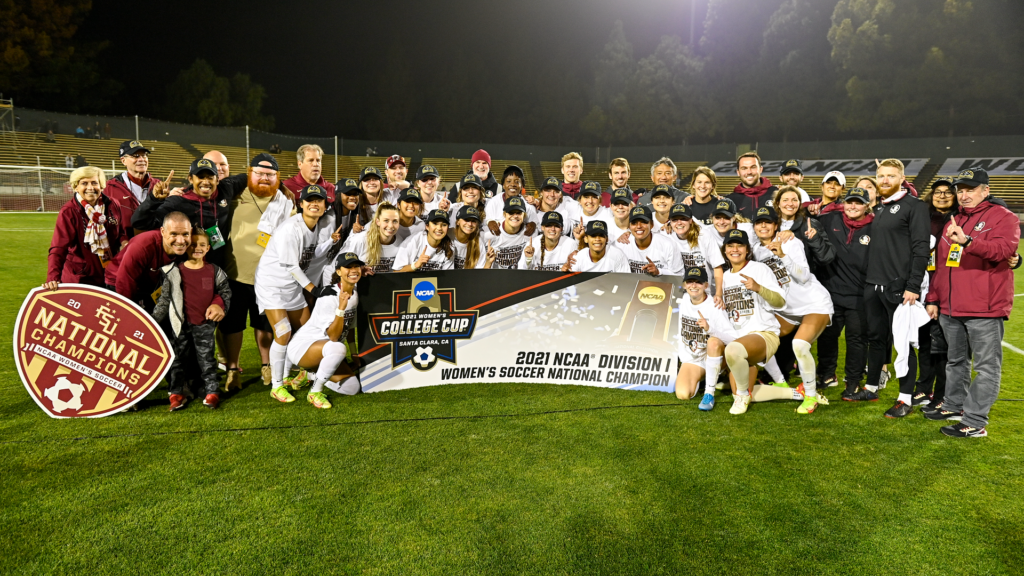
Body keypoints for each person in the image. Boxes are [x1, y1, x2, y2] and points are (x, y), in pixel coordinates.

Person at [925, 169, 1019, 437]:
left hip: (984, 307)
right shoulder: (954, 219)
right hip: (951, 307)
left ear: (985, 191)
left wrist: (968, 241)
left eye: (970, 189)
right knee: (955, 361)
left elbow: (1004, 251)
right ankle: (954, 406)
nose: (964, 195)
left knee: (986, 367)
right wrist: (933, 297)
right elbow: (941, 264)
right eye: (960, 190)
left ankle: (976, 422)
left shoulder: (1003, 217)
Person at [255, 185, 337, 402]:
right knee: (283, 333)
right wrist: (314, 289)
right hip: (271, 285)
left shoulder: (315, 226)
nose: (314, 204)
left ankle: (299, 372)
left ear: (325, 205)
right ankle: (277, 385)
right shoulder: (291, 228)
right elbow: (292, 266)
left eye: (319, 200)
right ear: (300, 204)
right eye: (309, 200)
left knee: (308, 329)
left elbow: (310, 253)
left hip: (291, 285)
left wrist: (332, 241)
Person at [862, 158, 930, 418]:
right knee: (876, 340)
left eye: (891, 176)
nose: (885, 180)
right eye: (881, 176)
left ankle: (905, 398)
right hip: (873, 285)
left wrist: (913, 285)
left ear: (902, 178)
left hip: (899, 288)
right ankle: (871, 387)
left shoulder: (914, 206)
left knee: (903, 344)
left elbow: (921, 248)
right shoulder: (879, 207)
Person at [221, 153, 294, 388]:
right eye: (259, 173)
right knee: (233, 325)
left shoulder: (285, 201)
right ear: (249, 173)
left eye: (270, 175)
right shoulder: (235, 194)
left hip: (269, 277)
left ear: (277, 177)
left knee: (265, 326)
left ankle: (267, 366)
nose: (264, 178)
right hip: (235, 273)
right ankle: (233, 369)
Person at [751, 206, 834, 413]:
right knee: (761, 336)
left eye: (768, 222)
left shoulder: (790, 242)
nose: (763, 226)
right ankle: (780, 382)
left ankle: (811, 396)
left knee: (799, 345)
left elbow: (804, 276)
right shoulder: (755, 250)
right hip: (787, 308)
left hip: (814, 302)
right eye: (759, 222)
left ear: (776, 225)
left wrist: (783, 256)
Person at [153, 230, 232, 411]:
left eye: (202, 245)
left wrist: (218, 304)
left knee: (207, 359)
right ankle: (176, 393)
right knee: (178, 360)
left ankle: (212, 392)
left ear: (208, 248)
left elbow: (225, 292)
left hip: (204, 325)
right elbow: (164, 301)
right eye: (193, 245)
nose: (197, 248)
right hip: (179, 326)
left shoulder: (215, 271)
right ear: (186, 248)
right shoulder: (173, 271)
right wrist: (153, 322)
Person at [719, 229, 794, 415]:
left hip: (763, 334)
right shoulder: (725, 276)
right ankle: (793, 393)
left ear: (747, 249)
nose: (735, 249)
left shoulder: (759, 269)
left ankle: (743, 394)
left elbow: (781, 302)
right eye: (730, 245)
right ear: (725, 250)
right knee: (736, 387)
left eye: (740, 245)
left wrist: (758, 288)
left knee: (733, 352)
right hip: (740, 337)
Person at [287, 252, 365, 408]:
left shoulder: (354, 294)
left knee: (352, 388)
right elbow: (334, 336)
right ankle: (315, 392)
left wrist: (354, 354)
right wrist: (341, 308)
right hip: (303, 347)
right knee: (337, 347)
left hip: (327, 350)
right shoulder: (329, 296)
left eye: (356, 266)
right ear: (338, 272)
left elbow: (348, 328)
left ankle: (311, 374)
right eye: (348, 267)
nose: (354, 270)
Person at [132, 159, 241, 269]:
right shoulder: (178, 201)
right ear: (190, 179)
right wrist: (153, 199)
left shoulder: (225, 188)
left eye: (210, 177)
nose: (206, 181)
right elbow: (139, 222)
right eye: (201, 177)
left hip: (217, 269)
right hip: (185, 269)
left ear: (217, 180)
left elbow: (248, 177)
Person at [817, 187, 874, 398]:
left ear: (867, 206)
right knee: (827, 336)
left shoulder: (876, 226)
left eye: (858, 202)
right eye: (850, 201)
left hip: (860, 294)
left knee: (856, 340)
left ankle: (853, 381)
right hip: (830, 291)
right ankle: (826, 374)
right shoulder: (829, 219)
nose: (853, 206)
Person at [911, 178, 957, 408]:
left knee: (943, 347)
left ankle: (941, 395)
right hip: (923, 285)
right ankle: (923, 388)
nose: (942, 196)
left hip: (947, 287)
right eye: (938, 192)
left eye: (948, 192)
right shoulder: (924, 216)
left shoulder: (960, 218)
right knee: (924, 341)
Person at [45, 166, 127, 291]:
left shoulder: (112, 204)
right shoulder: (69, 211)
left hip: (110, 274)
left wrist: (124, 242)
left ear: (101, 185)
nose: (90, 188)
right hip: (80, 278)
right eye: (84, 183)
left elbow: (120, 232)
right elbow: (58, 248)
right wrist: (53, 277)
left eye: (94, 183)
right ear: (76, 187)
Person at [675, 266, 738, 410]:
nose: (694, 285)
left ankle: (709, 392)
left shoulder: (714, 306)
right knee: (683, 394)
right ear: (684, 285)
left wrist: (710, 329)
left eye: (698, 282)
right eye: (690, 282)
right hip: (693, 359)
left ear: (706, 285)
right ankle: (710, 377)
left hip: (712, 355)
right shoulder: (684, 300)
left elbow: (733, 339)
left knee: (713, 342)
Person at [105, 211, 192, 307]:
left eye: (185, 234)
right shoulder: (142, 246)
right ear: (163, 232)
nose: (180, 241)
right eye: (174, 234)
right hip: (120, 280)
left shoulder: (191, 247)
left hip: (150, 283)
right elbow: (124, 282)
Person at [662, 203, 725, 304]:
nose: (679, 223)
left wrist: (718, 294)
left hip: (705, 292)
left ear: (691, 220)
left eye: (683, 218)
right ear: (670, 222)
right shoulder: (666, 236)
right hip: (679, 292)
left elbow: (717, 267)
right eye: (674, 220)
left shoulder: (704, 236)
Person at [330, 202, 406, 282]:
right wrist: (358, 271)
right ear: (378, 222)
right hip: (358, 289)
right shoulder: (360, 240)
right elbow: (338, 267)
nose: (390, 226)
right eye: (386, 221)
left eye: (395, 221)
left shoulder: (401, 242)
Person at [103, 141, 162, 237]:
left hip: (155, 242)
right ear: (123, 160)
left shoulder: (158, 185)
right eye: (136, 156)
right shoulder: (109, 188)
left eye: (144, 155)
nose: (142, 159)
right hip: (125, 245)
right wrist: (120, 241)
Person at [772, 186, 835, 272]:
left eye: (794, 200)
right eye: (785, 200)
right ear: (778, 203)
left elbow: (827, 257)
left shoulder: (810, 224)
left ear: (799, 203)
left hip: (803, 280)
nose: (790, 204)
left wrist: (815, 239)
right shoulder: (770, 225)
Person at [618, 206, 683, 276]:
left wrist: (659, 272)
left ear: (651, 224)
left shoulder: (668, 244)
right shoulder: (621, 244)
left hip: (661, 285)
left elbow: (680, 275)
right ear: (629, 226)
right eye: (634, 223)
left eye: (644, 222)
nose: (639, 226)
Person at [484, 196, 533, 269]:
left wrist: (528, 259)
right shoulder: (490, 234)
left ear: (524, 215)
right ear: (504, 214)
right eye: (511, 213)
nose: (515, 216)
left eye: (519, 213)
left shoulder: (530, 233)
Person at [562, 220, 630, 273]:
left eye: (601, 235)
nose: (597, 239)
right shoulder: (577, 258)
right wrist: (566, 271)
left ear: (606, 239)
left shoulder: (618, 255)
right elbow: (572, 285)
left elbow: (625, 280)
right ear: (586, 239)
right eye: (593, 236)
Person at [485, 165, 540, 230]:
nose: (513, 184)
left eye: (517, 182)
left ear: (522, 185)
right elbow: (485, 222)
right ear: (503, 185)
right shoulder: (493, 202)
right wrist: (488, 222)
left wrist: (533, 224)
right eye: (508, 181)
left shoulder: (528, 205)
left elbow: (537, 225)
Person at [726, 152, 777, 219]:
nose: (749, 172)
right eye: (744, 168)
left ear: (761, 169)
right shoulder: (730, 200)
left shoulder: (776, 194)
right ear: (738, 172)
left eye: (753, 167)